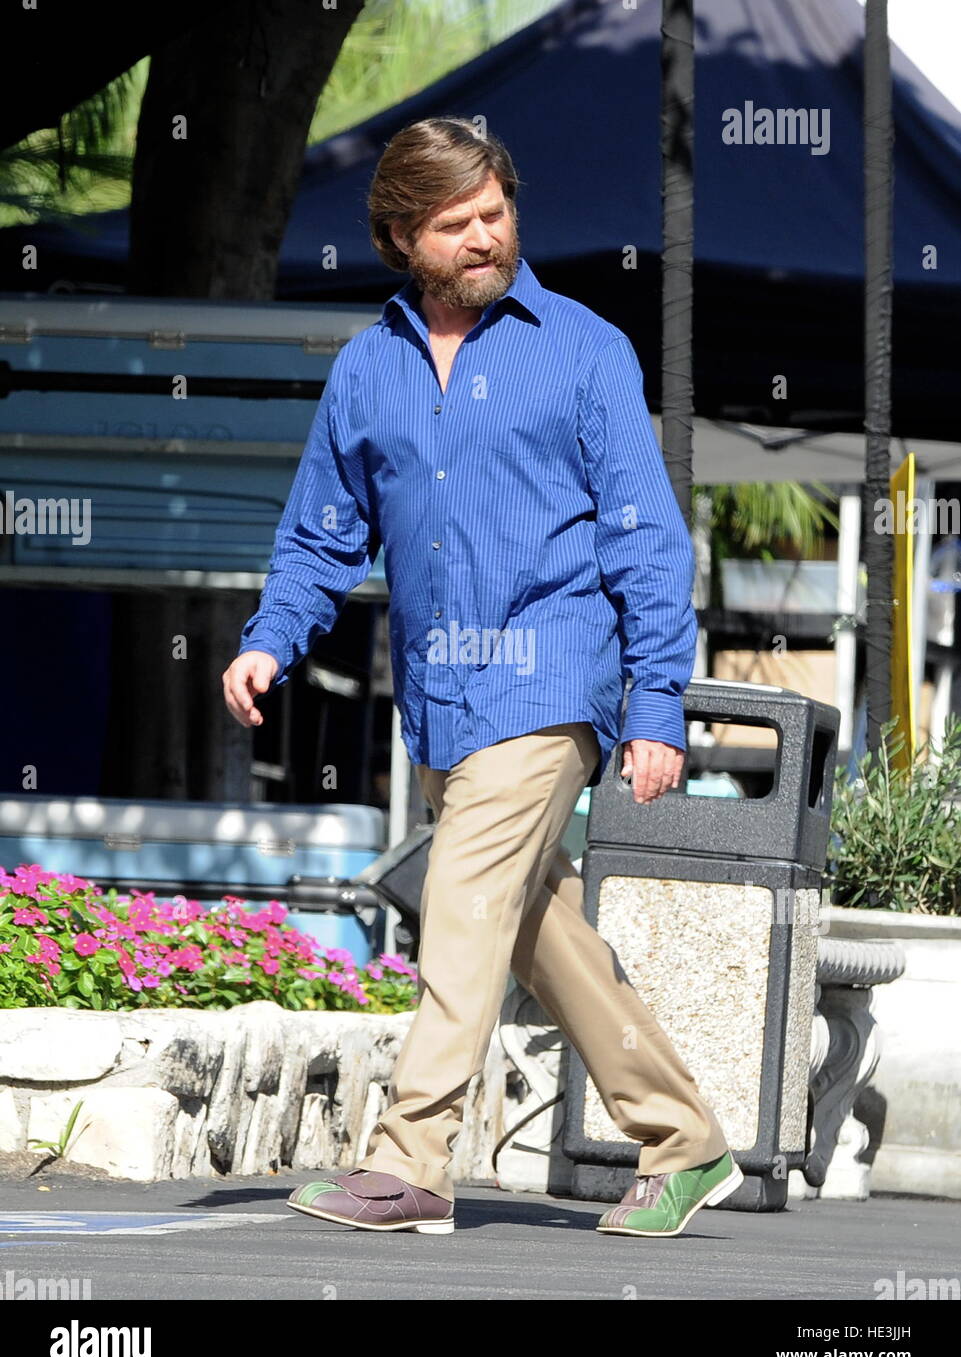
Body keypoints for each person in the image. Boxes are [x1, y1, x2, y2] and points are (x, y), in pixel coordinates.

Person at [222, 116, 742, 1237]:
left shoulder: (583, 349)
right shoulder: (368, 368)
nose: (484, 236)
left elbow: (645, 538)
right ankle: (685, 1136)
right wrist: (271, 638)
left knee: (459, 894)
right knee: (528, 923)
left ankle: (412, 1158)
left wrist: (655, 700)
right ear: (403, 235)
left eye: (495, 212)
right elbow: (323, 533)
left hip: (553, 675)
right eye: (455, 224)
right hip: (441, 696)